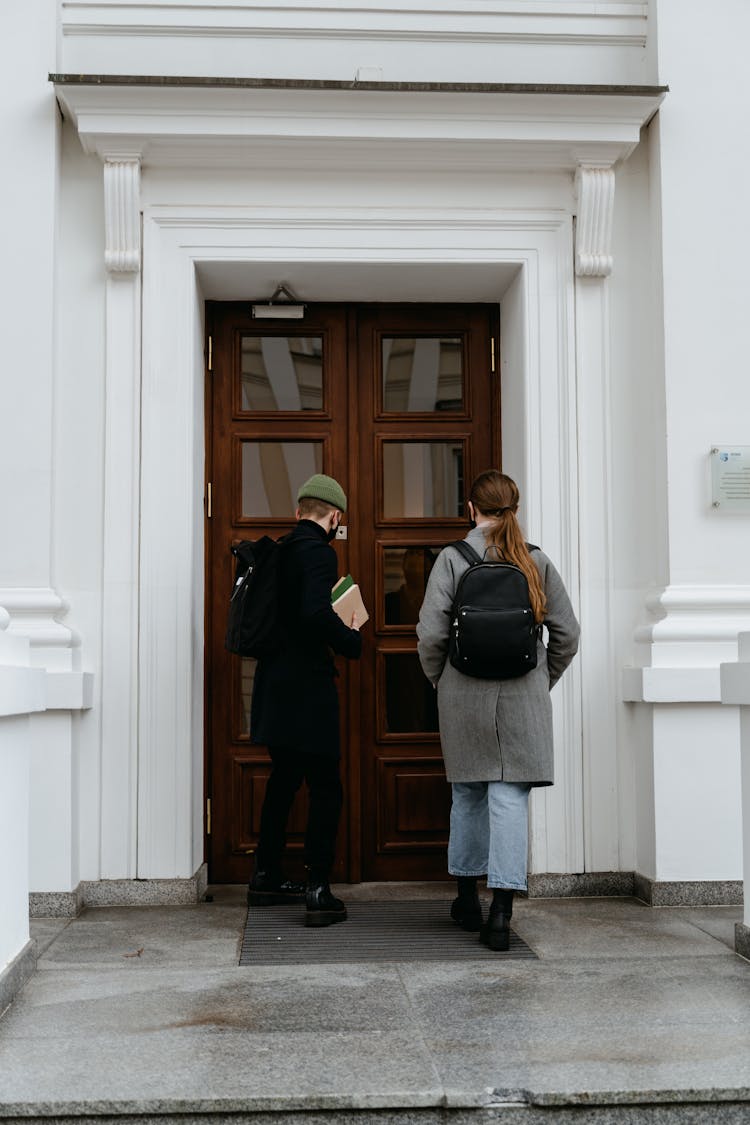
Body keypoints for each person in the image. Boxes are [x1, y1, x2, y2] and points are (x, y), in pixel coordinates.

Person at [416, 470, 579, 951]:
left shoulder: (452, 559)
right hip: (522, 696)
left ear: (472, 509)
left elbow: (430, 635)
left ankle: (466, 900)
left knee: (467, 795)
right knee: (508, 800)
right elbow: (567, 634)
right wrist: (539, 681)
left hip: (462, 694)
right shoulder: (536, 561)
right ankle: (501, 914)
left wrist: (443, 682)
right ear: (515, 509)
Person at [248, 473, 362, 927]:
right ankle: (318, 889)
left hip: (274, 685)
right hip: (307, 691)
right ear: (334, 517)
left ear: (299, 511)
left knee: (283, 780)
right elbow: (314, 612)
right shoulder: (318, 552)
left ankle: (265, 874)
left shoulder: (281, 549)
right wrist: (350, 639)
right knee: (325, 787)